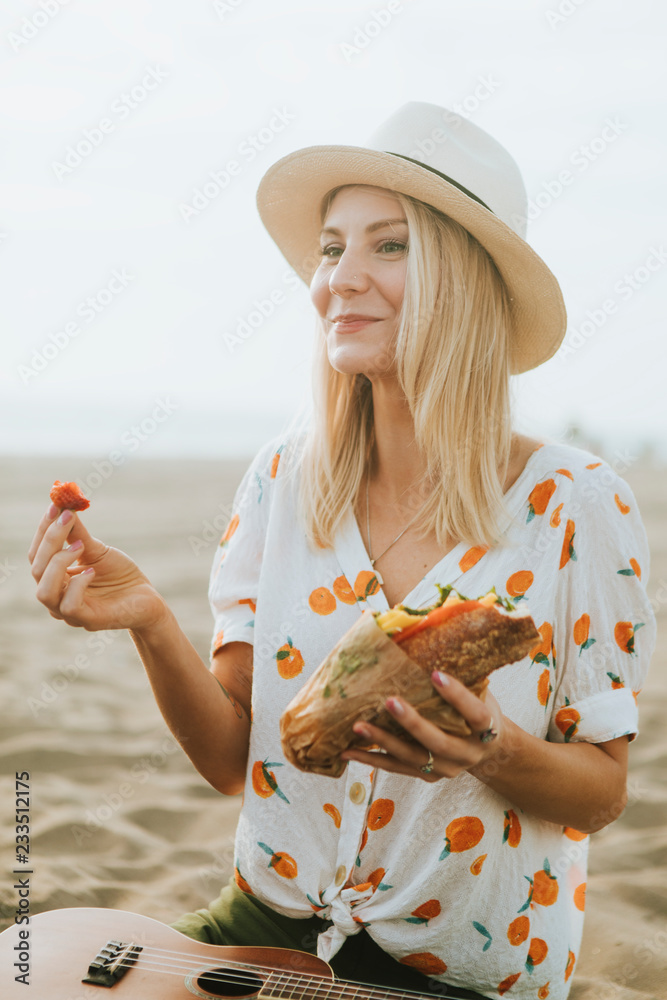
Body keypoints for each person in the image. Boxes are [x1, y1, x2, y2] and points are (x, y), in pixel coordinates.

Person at [29, 103, 656, 1000]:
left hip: (455, 973)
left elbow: (598, 794)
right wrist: (149, 620)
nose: (339, 279)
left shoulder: (575, 504)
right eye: (331, 249)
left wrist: (489, 749)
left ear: (464, 282)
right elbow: (229, 763)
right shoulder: (282, 481)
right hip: (262, 923)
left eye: (389, 247)